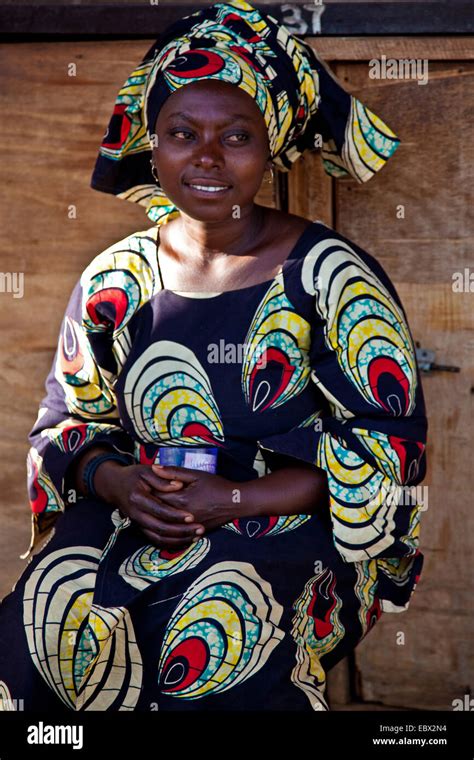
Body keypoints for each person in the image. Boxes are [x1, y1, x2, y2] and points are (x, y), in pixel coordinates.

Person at [0, 0, 427, 712]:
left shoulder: (330, 278)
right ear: (151, 140)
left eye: (236, 135)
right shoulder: (116, 281)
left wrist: (231, 499)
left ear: (271, 145)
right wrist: (118, 484)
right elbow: (65, 430)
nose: (205, 156)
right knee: (32, 632)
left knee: (217, 634)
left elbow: (387, 456)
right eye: (180, 133)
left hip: (284, 520)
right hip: (138, 510)